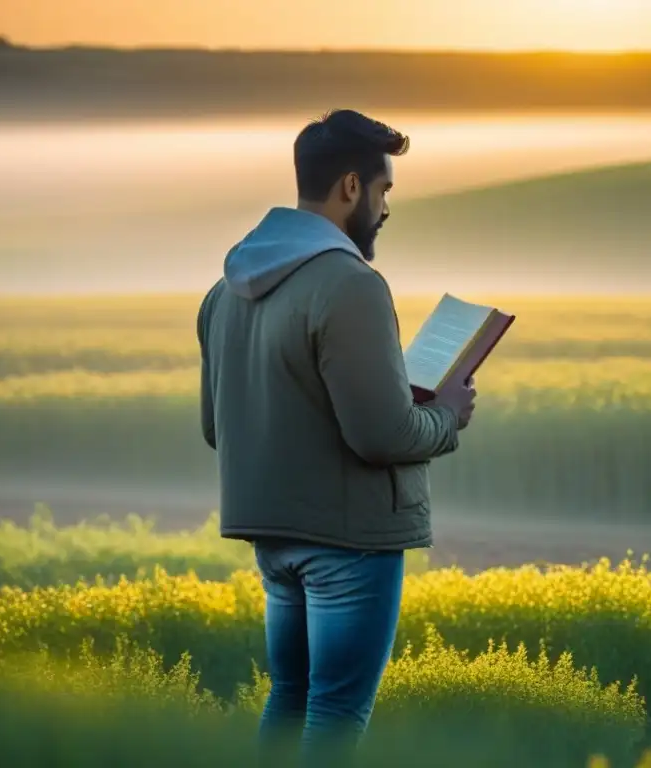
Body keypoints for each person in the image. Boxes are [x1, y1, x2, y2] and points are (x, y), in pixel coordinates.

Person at [195, 109, 477, 763]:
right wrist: (447, 416)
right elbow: (383, 435)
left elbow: (218, 428)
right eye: (383, 193)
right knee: (336, 717)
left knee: (289, 701)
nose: (384, 211)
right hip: (351, 544)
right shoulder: (350, 285)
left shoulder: (223, 291)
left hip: (273, 541)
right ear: (351, 188)